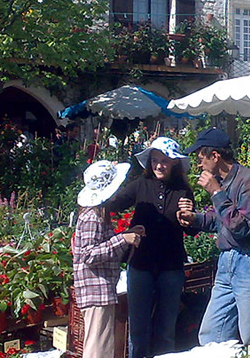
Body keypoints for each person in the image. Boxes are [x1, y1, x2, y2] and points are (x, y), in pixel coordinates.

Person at [176, 128, 250, 346]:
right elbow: (223, 221)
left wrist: (216, 192)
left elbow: (242, 227)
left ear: (215, 156)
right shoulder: (225, 181)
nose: (199, 164)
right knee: (212, 335)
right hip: (227, 262)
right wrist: (195, 219)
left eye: (201, 157)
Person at [107, 138, 194, 358]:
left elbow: (192, 231)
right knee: (138, 328)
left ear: (174, 163)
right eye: (154, 160)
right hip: (141, 264)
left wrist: (189, 216)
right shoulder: (140, 184)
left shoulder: (183, 190)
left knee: (166, 329)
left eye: (164, 161)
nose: (158, 166)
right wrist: (107, 183)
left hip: (170, 266)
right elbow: (114, 204)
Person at [73, 160, 144, 358]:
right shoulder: (92, 217)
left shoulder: (97, 215)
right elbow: (88, 254)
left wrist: (127, 235)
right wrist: (122, 239)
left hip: (101, 289)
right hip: (96, 290)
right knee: (98, 347)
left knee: (102, 343)